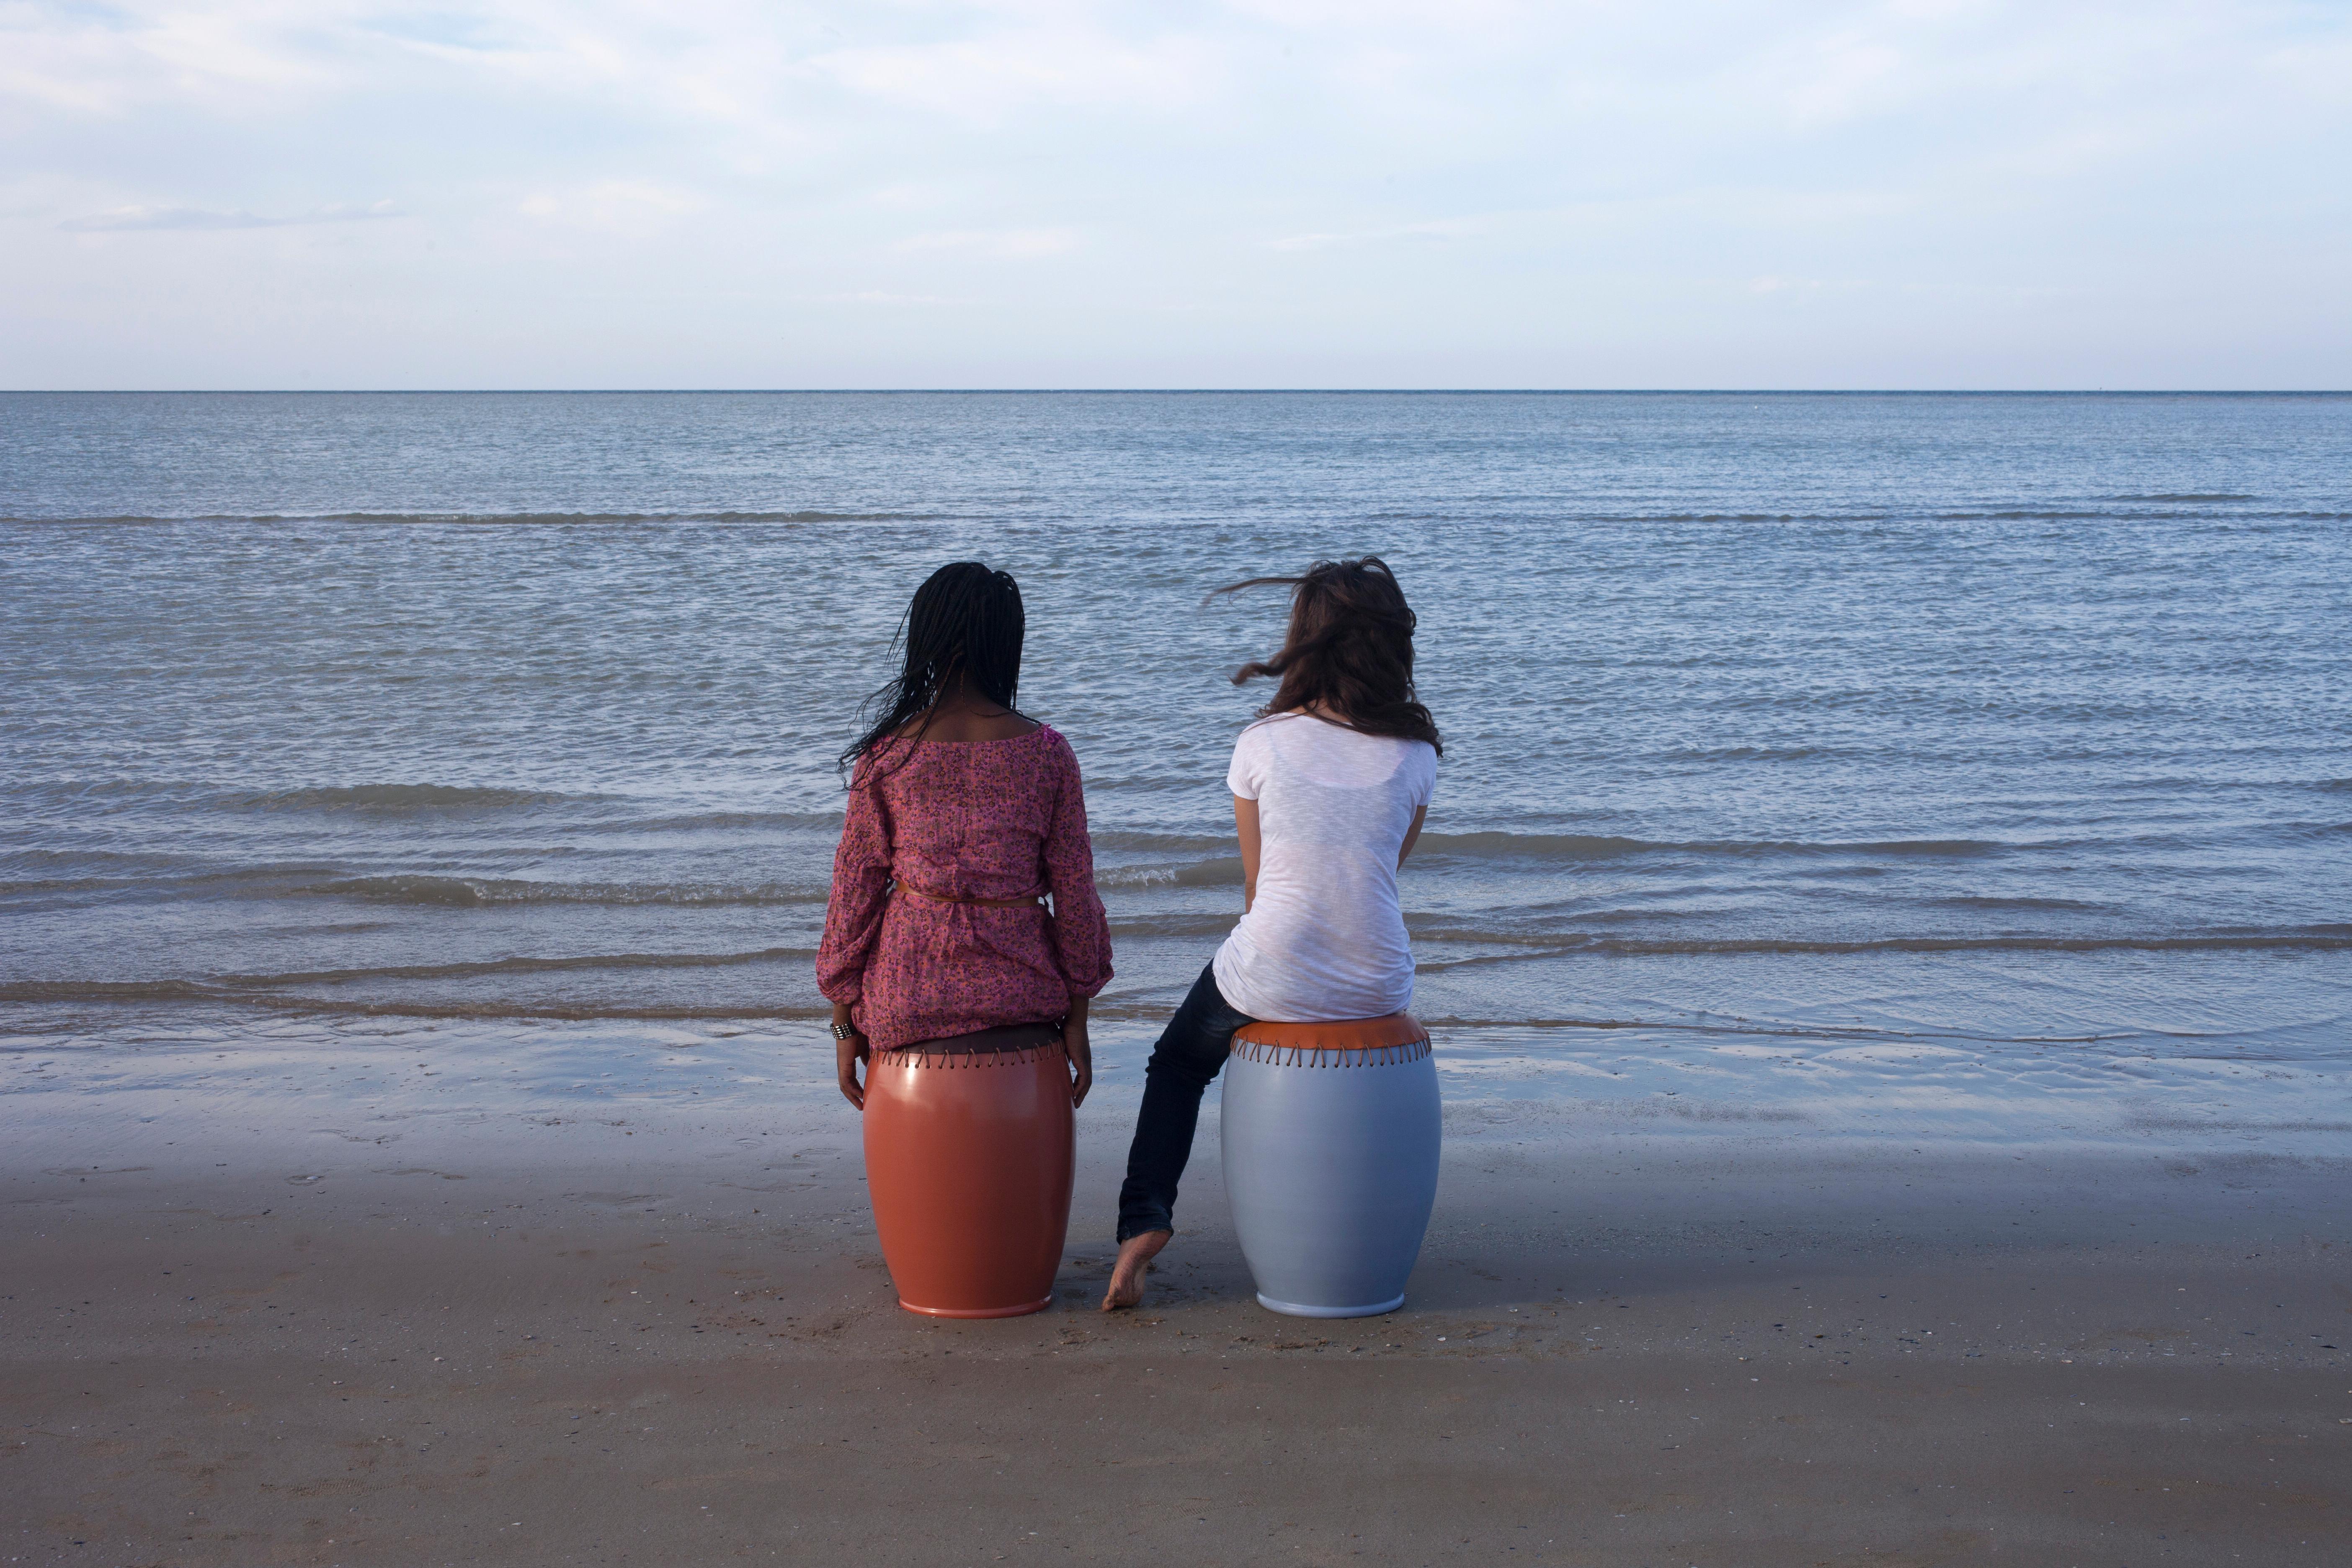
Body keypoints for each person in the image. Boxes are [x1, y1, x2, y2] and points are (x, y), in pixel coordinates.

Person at [1103, 556, 1439, 1312]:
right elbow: (1379, 875)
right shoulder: (1418, 756)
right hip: (1379, 976)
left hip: (1277, 961)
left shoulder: (1262, 742)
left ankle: (1144, 1220)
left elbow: (1260, 890)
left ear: (1305, 641)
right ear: (1392, 646)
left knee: (1179, 1065)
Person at [818, 561, 1110, 1112]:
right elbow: (1075, 895)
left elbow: (852, 899)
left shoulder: (886, 758)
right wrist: (1078, 1017)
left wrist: (842, 1026)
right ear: (1008, 644)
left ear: (926, 639)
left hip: (904, 1001)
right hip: (1023, 994)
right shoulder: (1048, 755)